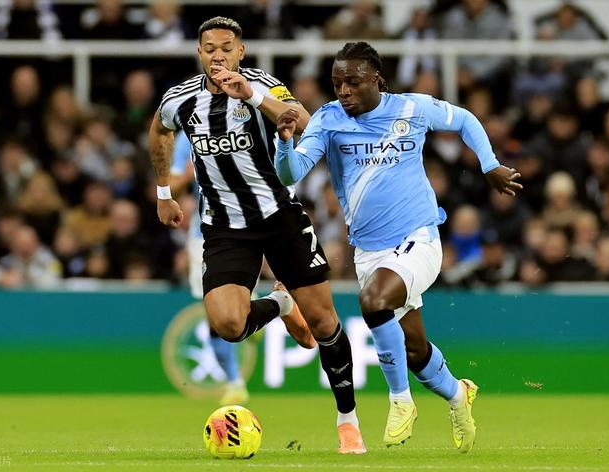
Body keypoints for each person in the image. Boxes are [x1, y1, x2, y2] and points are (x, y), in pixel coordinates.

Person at [274, 41, 523, 452]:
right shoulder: (328, 119)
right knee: (415, 349)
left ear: (376, 79)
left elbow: (465, 120)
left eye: (353, 82)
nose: (344, 91)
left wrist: (489, 164)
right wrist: (285, 142)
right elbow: (291, 173)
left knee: (373, 301)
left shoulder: (412, 108)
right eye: (337, 83)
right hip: (369, 251)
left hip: (418, 237)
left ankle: (400, 400)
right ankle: (458, 394)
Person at [148, 17, 365, 454]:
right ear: (199, 53)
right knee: (228, 324)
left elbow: (304, 123)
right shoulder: (180, 98)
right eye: (210, 48)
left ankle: (348, 421)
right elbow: (159, 131)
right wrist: (164, 192)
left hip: (279, 217)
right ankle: (282, 302)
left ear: (241, 52)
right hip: (225, 228)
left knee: (322, 325)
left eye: (226, 47)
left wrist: (250, 95)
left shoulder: (263, 84)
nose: (218, 56)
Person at [170, 132, 249, 405]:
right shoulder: (187, 135)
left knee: (237, 307)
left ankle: (256, 312)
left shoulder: (246, 120)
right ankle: (234, 381)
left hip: (247, 226)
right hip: (203, 234)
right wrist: (186, 176)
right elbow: (172, 185)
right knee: (214, 312)